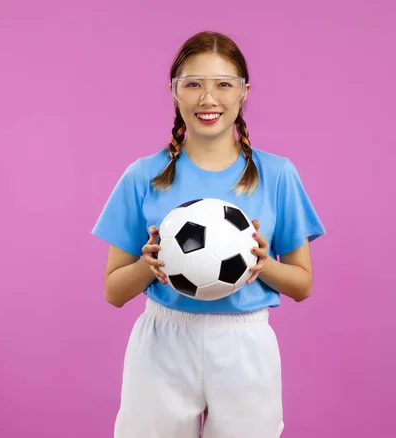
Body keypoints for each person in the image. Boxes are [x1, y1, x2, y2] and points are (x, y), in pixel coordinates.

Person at [91, 30, 326, 438]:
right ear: (174, 92)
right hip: (163, 342)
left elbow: (303, 284)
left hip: (244, 344)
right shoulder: (143, 176)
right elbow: (113, 291)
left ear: (244, 92)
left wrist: (263, 264)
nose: (208, 98)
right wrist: (148, 266)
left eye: (223, 85)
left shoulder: (276, 175)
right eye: (193, 84)